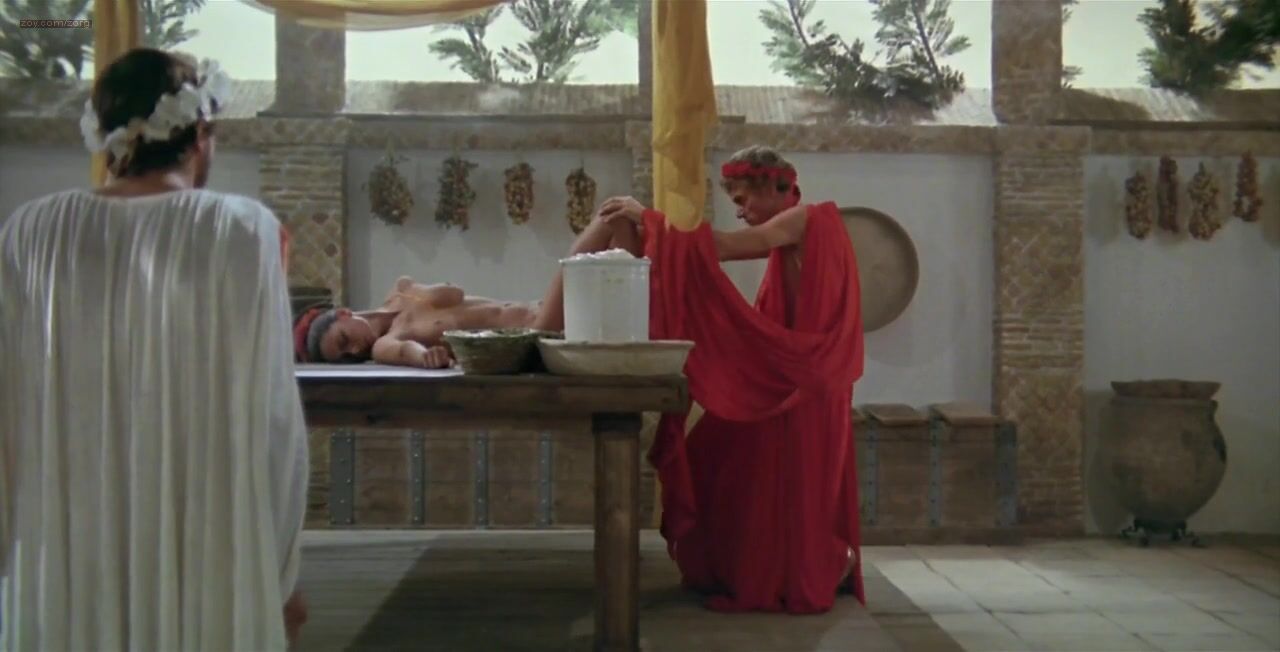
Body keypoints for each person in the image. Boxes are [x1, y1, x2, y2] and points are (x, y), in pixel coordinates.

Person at [0, 48, 309, 649]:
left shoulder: (30, 232)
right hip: (206, 545)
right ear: (201, 133)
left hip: (65, 547)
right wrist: (279, 571)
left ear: (107, 137)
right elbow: (272, 419)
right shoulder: (241, 230)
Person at [597, 145, 866, 614]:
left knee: (782, 481)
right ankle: (780, 569)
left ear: (773, 187)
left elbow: (725, 247)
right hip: (806, 378)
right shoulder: (808, 225)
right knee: (741, 463)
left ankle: (792, 574)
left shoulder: (804, 218)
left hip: (804, 383)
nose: (740, 211)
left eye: (743, 200)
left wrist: (650, 219)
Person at [294, 213, 641, 367]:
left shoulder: (401, 291)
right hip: (533, 337)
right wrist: (425, 357)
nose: (356, 349)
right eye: (347, 356)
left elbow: (453, 294)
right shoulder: (385, 343)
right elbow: (405, 352)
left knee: (622, 238)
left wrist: (414, 291)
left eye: (344, 340)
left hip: (533, 310)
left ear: (344, 314)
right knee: (607, 222)